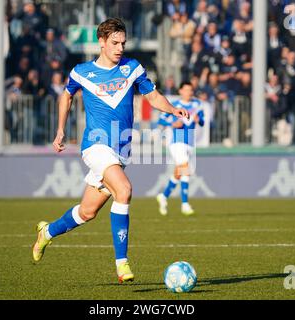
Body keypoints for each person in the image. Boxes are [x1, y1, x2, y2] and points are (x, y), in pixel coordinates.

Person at [31, 18, 189, 283]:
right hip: (95, 146)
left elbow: (151, 95)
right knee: (124, 190)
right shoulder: (82, 72)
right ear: (101, 42)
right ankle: (122, 264)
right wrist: (60, 130)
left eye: (123, 43)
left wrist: (173, 109)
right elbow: (66, 95)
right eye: (114, 43)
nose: (119, 48)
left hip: (121, 150)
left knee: (87, 212)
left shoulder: (132, 68)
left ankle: (46, 233)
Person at [156, 81, 204, 216]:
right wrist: (172, 123)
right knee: (185, 169)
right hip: (177, 142)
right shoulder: (175, 105)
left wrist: (198, 120)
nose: (189, 92)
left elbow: (203, 121)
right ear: (181, 91)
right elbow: (161, 120)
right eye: (186, 90)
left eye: (191, 90)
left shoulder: (197, 105)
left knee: (180, 171)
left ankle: (164, 196)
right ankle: (185, 204)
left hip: (189, 142)